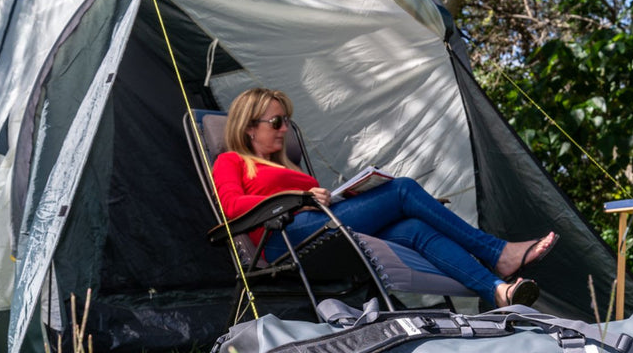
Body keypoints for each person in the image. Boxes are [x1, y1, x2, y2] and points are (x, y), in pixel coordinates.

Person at [211, 88, 558, 308]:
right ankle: (497, 253)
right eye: (276, 121)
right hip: (285, 240)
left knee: (414, 227)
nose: (285, 128)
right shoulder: (231, 161)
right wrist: (299, 197)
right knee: (403, 189)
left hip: (322, 229)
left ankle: (497, 290)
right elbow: (232, 208)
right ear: (249, 127)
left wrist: (334, 195)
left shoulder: (288, 167)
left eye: (286, 120)